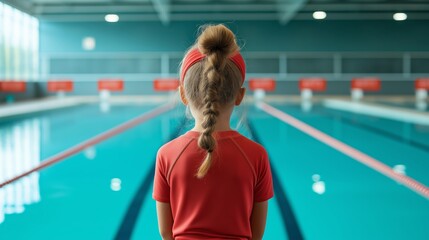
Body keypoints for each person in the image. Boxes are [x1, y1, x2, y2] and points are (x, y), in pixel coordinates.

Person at [153, 24, 274, 240]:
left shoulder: (167, 154)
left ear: (183, 94)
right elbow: (256, 234)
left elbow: (165, 232)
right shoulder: (257, 156)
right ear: (240, 95)